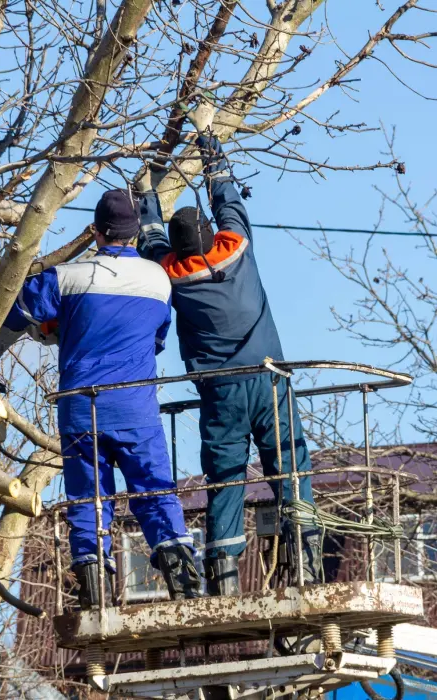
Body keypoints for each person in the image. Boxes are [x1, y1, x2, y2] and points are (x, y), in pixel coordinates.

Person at [136, 117, 321, 596]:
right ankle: (307, 552)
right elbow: (226, 195)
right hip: (270, 380)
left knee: (225, 479)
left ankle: (224, 573)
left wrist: (146, 193)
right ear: (209, 234)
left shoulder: (170, 273)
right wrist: (207, 136)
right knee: (290, 463)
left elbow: (150, 237)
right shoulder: (236, 248)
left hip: (221, 392)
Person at [3, 190, 201, 608]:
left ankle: (94, 593)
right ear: (134, 235)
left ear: (96, 231)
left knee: (88, 497)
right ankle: (183, 582)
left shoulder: (67, 277)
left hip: (82, 407)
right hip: (135, 407)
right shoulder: (158, 280)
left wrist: (58, 331)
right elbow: (157, 340)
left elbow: (14, 310)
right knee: (154, 491)